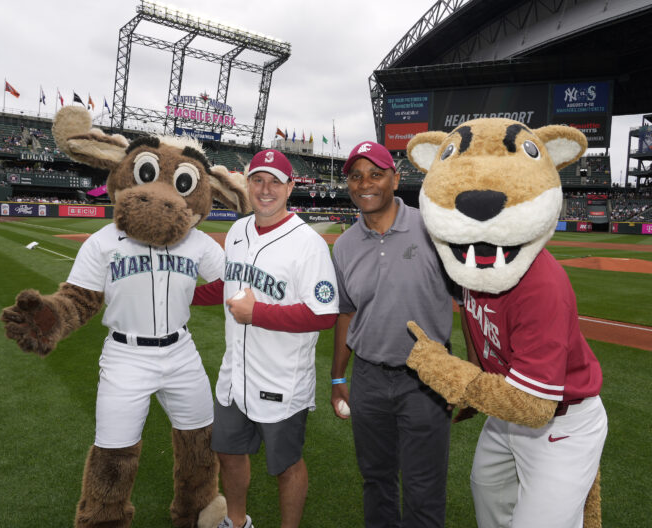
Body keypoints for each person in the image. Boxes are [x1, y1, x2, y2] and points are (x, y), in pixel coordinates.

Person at [194, 149, 339, 528]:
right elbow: (229, 286)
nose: (266, 189)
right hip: (234, 373)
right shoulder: (240, 230)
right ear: (247, 183)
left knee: (286, 466)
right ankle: (237, 522)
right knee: (228, 452)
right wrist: (184, 294)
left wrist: (258, 314)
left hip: (281, 380)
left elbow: (324, 314)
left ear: (291, 187)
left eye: (275, 181)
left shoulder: (308, 244)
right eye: (258, 179)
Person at [331, 141, 458, 528]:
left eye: (375, 173)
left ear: (396, 178)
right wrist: (338, 376)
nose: (365, 183)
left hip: (425, 379)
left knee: (423, 488)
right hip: (368, 378)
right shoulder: (345, 245)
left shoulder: (433, 227)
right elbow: (347, 313)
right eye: (356, 176)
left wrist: (467, 374)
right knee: (376, 479)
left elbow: (466, 299)